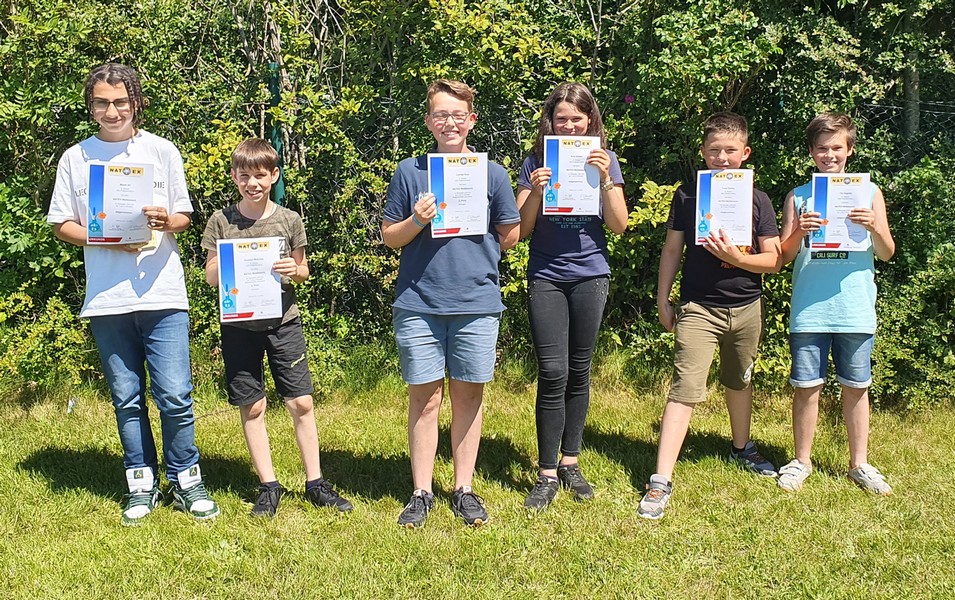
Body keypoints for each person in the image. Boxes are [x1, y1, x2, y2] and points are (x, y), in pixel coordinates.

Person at [47, 63, 218, 525]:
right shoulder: (75, 158)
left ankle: (186, 480)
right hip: (108, 297)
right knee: (126, 397)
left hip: (162, 293)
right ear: (91, 108)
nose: (112, 110)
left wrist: (166, 221)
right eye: (102, 102)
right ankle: (140, 483)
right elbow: (61, 223)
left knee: (176, 394)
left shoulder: (162, 151)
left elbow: (185, 215)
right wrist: (102, 238)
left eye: (120, 101)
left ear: (136, 102)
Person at [381, 80, 520, 528]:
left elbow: (511, 234)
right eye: (441, 115)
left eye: (458, 115)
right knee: (424, 398)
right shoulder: (410, 171)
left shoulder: (492, 173)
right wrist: (418, 220)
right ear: (428, 122)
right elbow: (390, 237)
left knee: (467, 396)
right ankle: (421, 492)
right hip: (419, 301)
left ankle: (463, 488)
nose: (450, 123)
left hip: (477, 299)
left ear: (471, 120)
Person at [638, 112, 782, 520]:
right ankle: (660, 480)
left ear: (745, 153)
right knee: (685, 388)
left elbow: (772, 260)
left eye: (730, 151)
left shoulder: (758, 198)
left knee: (739, 381)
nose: (722, 158)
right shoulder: (687, 195)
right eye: (714, 150)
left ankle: (742, 449)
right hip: (698, 307)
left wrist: (738, 258)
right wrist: (664, 299)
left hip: (747, 306)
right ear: (702, 152)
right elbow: (672, 250)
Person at [201, 138, 353, 517]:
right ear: (234, 176)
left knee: (301, 402)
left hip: (283, 323)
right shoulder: (221, 221)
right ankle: (269, 486)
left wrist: (293, 271)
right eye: (244, 175)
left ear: (274, 176)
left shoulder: (289, 220)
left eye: (260, 175)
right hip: (238, 327)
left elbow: (303, 272)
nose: (252, 183)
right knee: (252, 407)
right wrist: (226, 263)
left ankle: (316, 483)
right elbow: (208, 277)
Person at [515, 82, 628, 511]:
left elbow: (619, 225)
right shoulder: (536, 162)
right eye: (560, 118)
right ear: (550, 122)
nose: (569, 126)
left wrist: (604, 181)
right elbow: (521, 231)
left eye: (576, 119)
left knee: (580, 370)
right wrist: (539, 191)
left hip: (590, 275)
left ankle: (570, 461)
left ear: (590, 121)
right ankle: (546, 472)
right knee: (553, 371)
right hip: (546, 275)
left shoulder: (606, 160)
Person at [775, 113, 895, 495]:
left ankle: (859, 463)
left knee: (856, 387)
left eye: (837, 148)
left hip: (855, 305)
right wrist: (799, 230)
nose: (830, 155)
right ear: (812, 152)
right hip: (809, 307)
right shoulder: (798, 195)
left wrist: (875, 225)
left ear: (850, 150)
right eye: (822, 149)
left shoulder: (870, 192)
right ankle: (801, 461)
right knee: (806, 386)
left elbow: (888, 252)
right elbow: (784, 256)